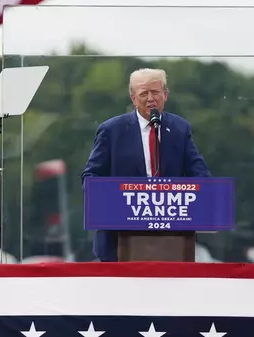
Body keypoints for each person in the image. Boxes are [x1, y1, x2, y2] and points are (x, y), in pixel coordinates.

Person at [81, 67, 211, 262]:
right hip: (118, 243)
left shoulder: (179, 128)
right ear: (133, 98)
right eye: (144, 93)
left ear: (165, 95)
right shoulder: (111, 130)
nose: (151, 98)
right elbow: (91, 177)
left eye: (156, 92)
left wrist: (200, 193)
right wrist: (119, 197)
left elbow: (200, 174)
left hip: (172, 241)